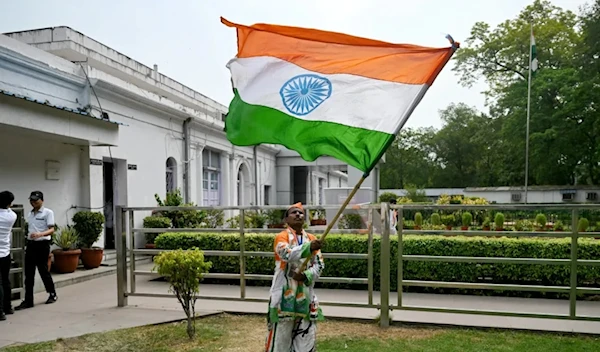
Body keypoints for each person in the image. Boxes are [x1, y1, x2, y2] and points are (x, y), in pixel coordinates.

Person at [265, 202, 324, 352]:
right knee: (280, 340)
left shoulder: (311, 238)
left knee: (306, 338)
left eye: (300, 213)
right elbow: (286, 254)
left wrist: (306, 275)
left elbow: (320, 264)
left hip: (305, 296)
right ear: (286, 219)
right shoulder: (281, 237)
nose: (298, 215)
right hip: (283, 297)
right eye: (294, 213)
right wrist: (308, 248)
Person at [15, 191, 57, 310]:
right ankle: (28, 300)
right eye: (31, 200)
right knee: (29, 273)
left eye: (35, 200)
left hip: (42, 244)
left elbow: (52, 229)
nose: (33, 202)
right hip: (31, 245)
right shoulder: (30, 214)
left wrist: (40, 234)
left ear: (42, 201)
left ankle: (52, 293)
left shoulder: (48, 212)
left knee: (43, 270)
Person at [0, 191, 17, 321]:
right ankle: (8, 307)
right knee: (5, 280)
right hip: (5, 252)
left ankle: (0, 311)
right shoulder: (12, 215)